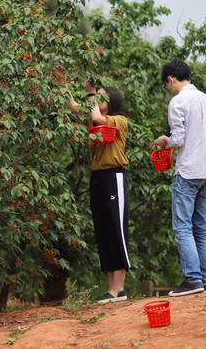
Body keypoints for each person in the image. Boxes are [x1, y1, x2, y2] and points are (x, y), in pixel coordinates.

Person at [153, 59, 206, 297]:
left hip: (188, 171)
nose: (169, 90)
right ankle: (205, 282)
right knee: (201, 226)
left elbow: (179, 138)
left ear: (171, 79)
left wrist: (166, 140)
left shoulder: (178, 101)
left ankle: (192, 279)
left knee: (183, 226)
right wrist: (203, 145)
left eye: (167, 85)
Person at [60, 72, 131, 304]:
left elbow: (96, 115)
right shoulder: (95, 117)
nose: (95, 101)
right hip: (98, 177)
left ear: (110, 102)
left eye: (101, 97)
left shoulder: (119, 120)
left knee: (116, 229)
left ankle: (119, 288)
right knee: (103, 230)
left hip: (114, 176)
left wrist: (92, 92)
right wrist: (63, 82)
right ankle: (112, 288)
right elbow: (72, 105)